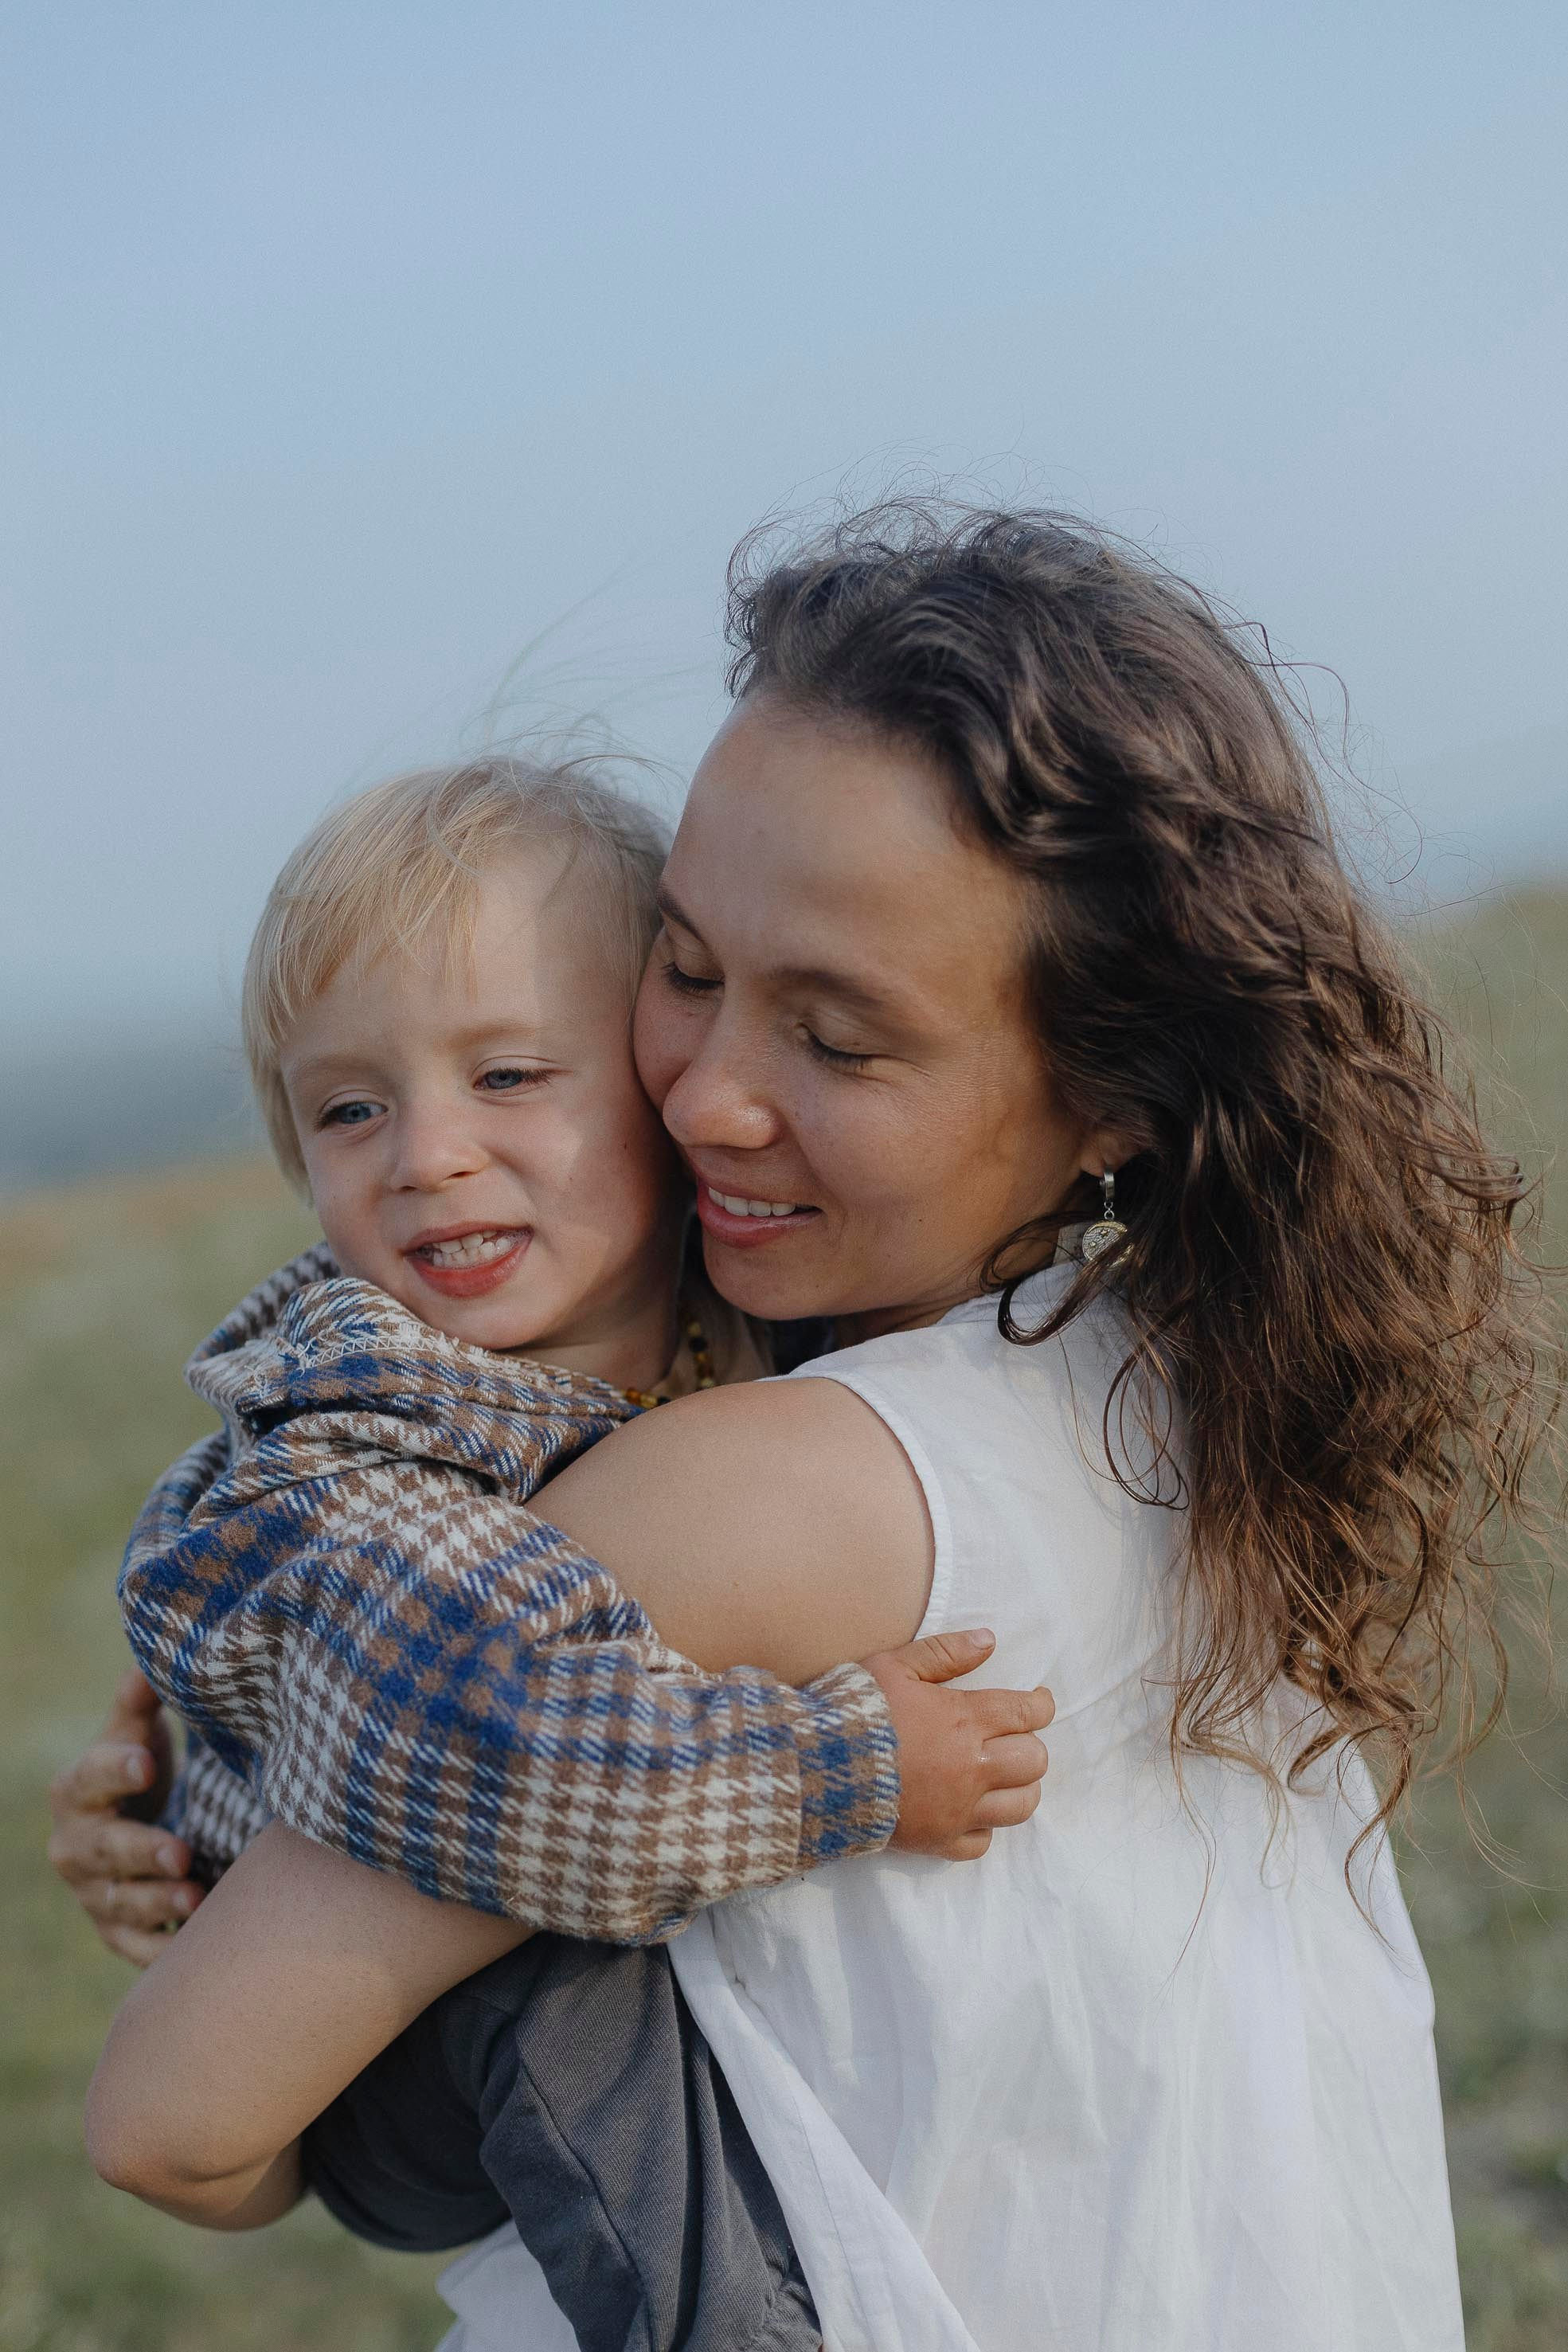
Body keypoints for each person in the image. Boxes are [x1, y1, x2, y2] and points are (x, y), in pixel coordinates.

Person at [67, 502, 1552, 2350]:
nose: (703, 1096)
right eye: (684, 970)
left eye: (839, 1040)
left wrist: (259, 1928)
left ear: (1111, 1091)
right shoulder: (1169, 1382)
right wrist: (251, 1817)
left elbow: (171, 2119)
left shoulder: (744, 1495)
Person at [71, 750, 1054, 2350]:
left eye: (511, 1077)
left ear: (663, 1090)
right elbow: (521, 1761)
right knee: (560, 1963)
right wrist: (850, 1768)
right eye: (349, 1107)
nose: (428, 1153)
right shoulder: (360, 1451)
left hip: (574, 1947)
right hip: (387, 2060)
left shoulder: (725, 1334)